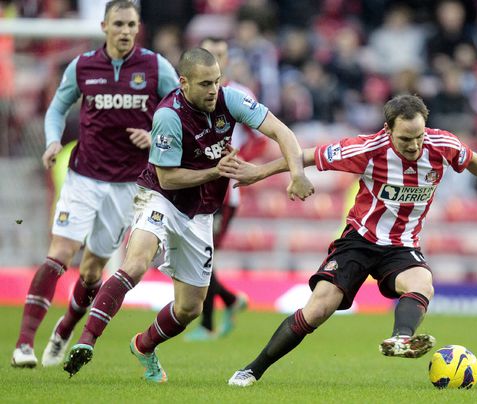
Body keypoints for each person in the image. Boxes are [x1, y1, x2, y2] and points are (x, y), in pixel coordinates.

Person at [223, 94, 477, 387]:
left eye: (419, 136)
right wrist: (259, 172)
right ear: (388, 130)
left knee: (422, 283)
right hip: (359, 241)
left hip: (401, 245)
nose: (414, 145)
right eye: (405, 139)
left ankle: (401, 338)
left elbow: (471, 158)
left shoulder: (442, 144)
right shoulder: (367, 149)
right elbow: (306, 156)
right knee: (317, 310)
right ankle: (252, 369)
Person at [61, 47, 314, 382]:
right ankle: (87, 340)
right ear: (183, 83)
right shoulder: (169, 115)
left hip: (200, 212)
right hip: (160, 198)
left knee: (190, 308)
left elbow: (282, 132)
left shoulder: (230, 99)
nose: (213, 90)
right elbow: (168, 178)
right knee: (135, 264)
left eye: (217, 81)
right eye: (205, 83)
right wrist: (216, 171)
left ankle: (144, 345)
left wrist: (297, 173)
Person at [11, 0, 179, 368]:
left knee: (91, 271)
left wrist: (155, 135)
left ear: (138, 28)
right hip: (83, 176)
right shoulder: (84, 66)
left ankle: (65, 327)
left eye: (131, 24)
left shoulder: (155, 67)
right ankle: (23, 344)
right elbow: (57, 107)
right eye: (118, 24)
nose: (125, 31)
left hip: (127, 186)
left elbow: (180, 110)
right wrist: (52, 141)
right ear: (104, 26)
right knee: (60, 251)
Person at [183, 37, 262, 342]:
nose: (215, 57)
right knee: (196, 254)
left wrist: (240, 161)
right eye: (209, 52)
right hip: (193, 185)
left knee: (204, 254)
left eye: (220, 54)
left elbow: (260, 138)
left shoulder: (238, 95)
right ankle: (229, 300)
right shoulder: (186, 95)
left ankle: (207, 323)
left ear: (226, 60)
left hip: (224, 191)